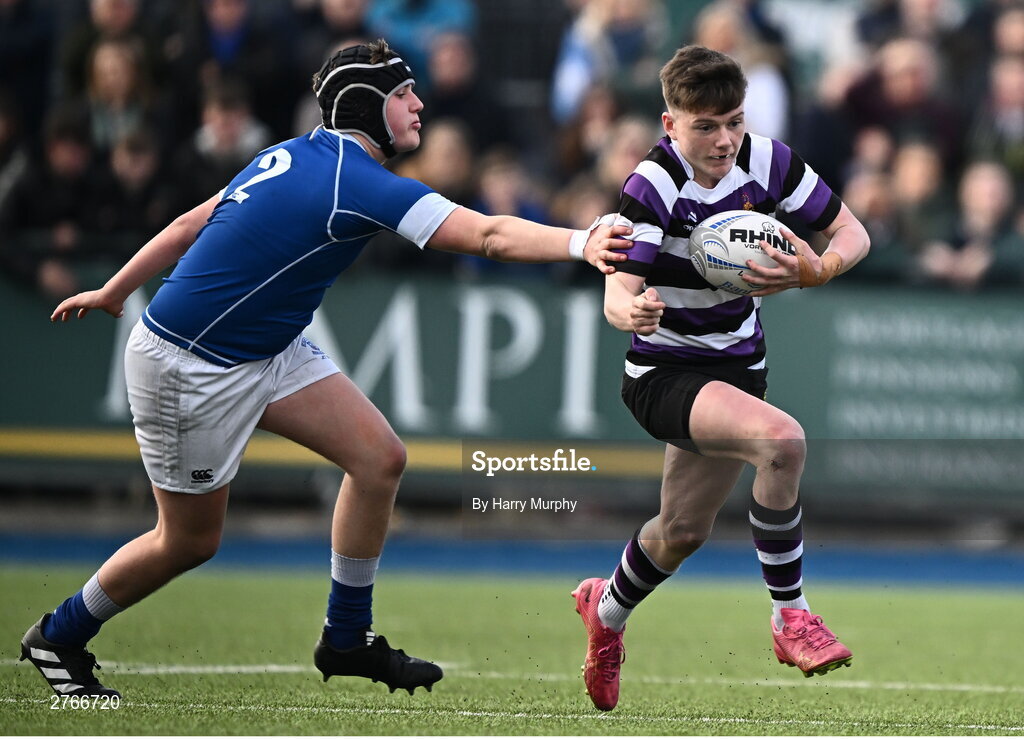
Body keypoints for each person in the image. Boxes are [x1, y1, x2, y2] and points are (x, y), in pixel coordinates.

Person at [20, 38, 632, 700]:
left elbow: (188, 225)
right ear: (368, 107)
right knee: (188, 540)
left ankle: (345, 638)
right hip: (188, 364)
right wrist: (581, 241)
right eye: (404, 94)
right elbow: (485, 234)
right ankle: (58, 635)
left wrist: (115, 288)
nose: (418, 103)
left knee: (379, 458)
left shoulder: (287, 152)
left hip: (263, 348)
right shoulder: (354, 178)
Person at [570, 45, 870, 712]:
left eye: (733, 120)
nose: (724, 139)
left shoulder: (771, 160)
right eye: (705, 125)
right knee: (783, 441)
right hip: (665, 372)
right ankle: (791, 615)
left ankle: (606, 611)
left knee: (681, 531)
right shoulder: (652, 185)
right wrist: (633, 308)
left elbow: (852, 232)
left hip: (736, 366)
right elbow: (618, 294)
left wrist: (814, 269)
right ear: (670, 124)